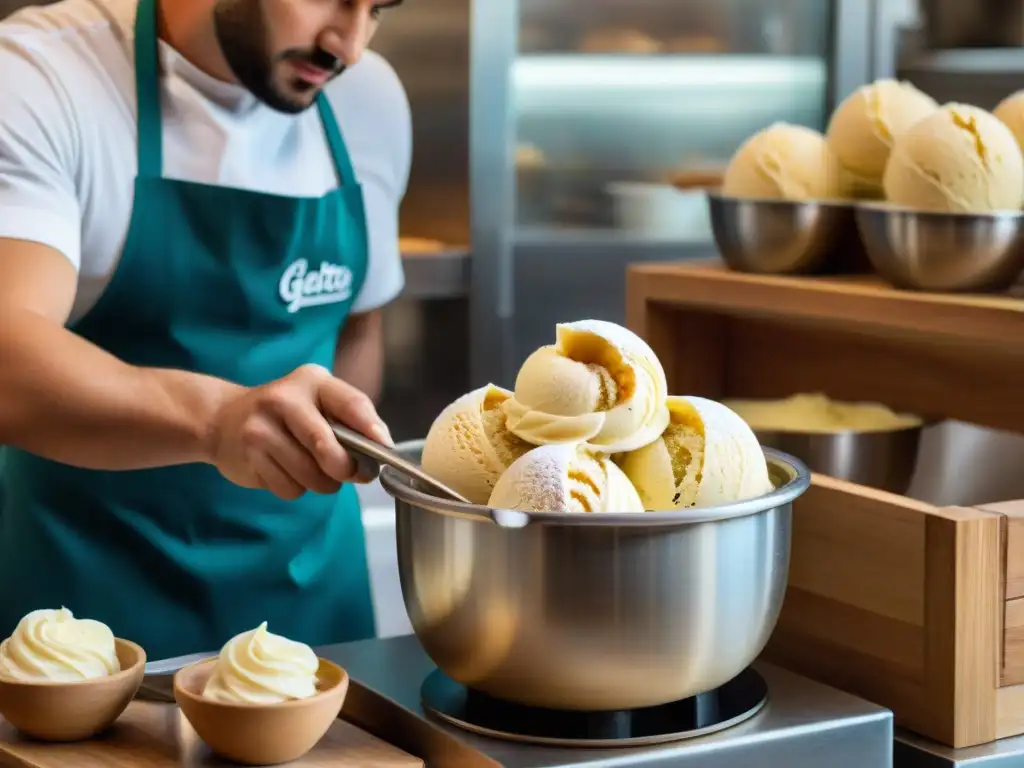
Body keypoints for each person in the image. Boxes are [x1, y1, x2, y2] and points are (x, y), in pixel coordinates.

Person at [0, 0, 412, 660]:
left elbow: (357, 326)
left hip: (316, 626)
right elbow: (7, 358)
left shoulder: (368, 100)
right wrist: (220, 421)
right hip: (83, 631)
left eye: (377, 9)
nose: (350, 43)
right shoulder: (44, 74)